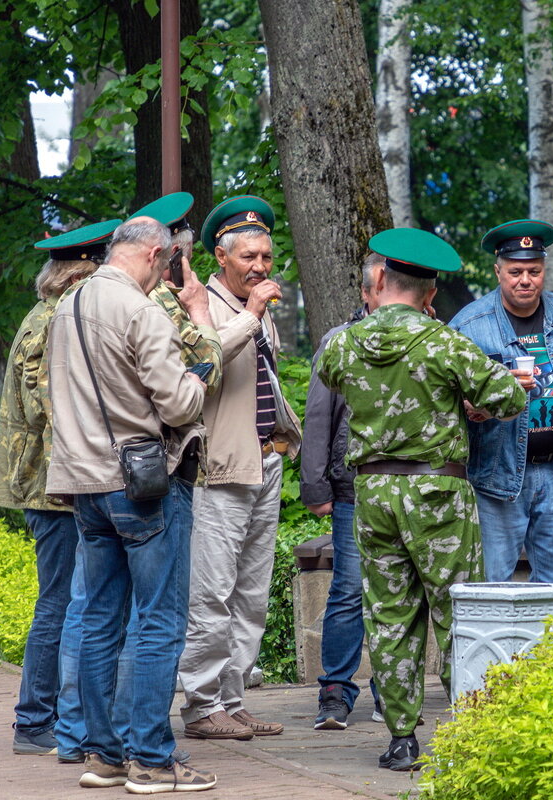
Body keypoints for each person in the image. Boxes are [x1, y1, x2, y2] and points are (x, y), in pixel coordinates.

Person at [317, 227, 529, 771]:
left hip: (373, 494)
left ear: (381, 279)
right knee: (458, 611)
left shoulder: (343, 342)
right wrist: (469, 404)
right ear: (430, 294)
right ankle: (471, 730)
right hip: (437, 491)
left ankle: (401, 739)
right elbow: (507, 395)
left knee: (389, 615)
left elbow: (330, 376)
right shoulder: (443, 342)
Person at [46, 216, 217, 792]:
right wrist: (201, 375)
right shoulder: (141, 311)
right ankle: (151, 759)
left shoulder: (65, 307)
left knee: (97, 618)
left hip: (84, 485)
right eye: (167, 262)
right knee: (160, 621)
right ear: (152, 254)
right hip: (140, 485)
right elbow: (175, 405)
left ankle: (103, 756)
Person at [0, 219, 118, 756]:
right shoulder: (53, 322)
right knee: (61, 602)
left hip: (51, 480)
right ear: (82, 273)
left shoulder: (44, 315)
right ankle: (35, 720)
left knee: (64, 599)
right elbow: (52, 405)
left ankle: (44, 716)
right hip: (54, 484)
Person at [178, 195, 300, 741]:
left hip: (265, 463)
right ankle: (201, 706)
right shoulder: (199, 306)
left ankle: (234, 698)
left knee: (252, 593)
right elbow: (199, 367)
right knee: (213, 591)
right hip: (221, 468)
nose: (260, 267)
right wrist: (249, 317)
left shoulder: (261, 310)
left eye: (267, 258)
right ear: (221, 258)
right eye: (249, 257)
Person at [450, 219, 553, 596]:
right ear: (498, 271)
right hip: (496, 475)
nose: (525, 280)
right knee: (491, 583)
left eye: (534, 271)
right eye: (515, 271)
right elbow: (447, 398)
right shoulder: (470, 325)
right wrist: (477, 403)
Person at [301, 252, 384, 730]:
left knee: (399, 592)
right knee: (349, 590)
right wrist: (315, 484)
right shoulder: (339, 341)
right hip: (352, 488)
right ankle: (335, 690)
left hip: (415, 487)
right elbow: (317, 418)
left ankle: (391, 691)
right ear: (368, 290)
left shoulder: (437, 340)